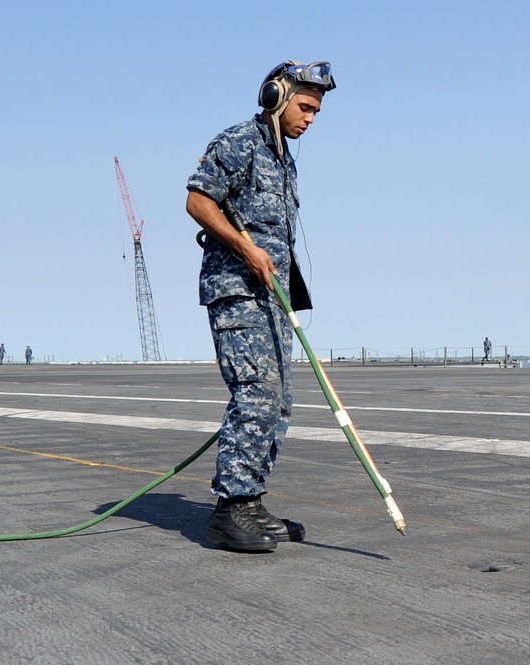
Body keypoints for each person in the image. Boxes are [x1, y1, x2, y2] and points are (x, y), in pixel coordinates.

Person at [185, 59, 336, 552]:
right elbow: (199, 201)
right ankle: (229, 511)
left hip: (273, 295)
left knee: (279, 398)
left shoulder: (282, 157)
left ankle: (249, 500)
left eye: (317, 110)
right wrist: (246, 247)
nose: (311, 118)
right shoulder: (239, 142)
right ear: (277, 96)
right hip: (237, 292)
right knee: (256, 392)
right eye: (306, 106)